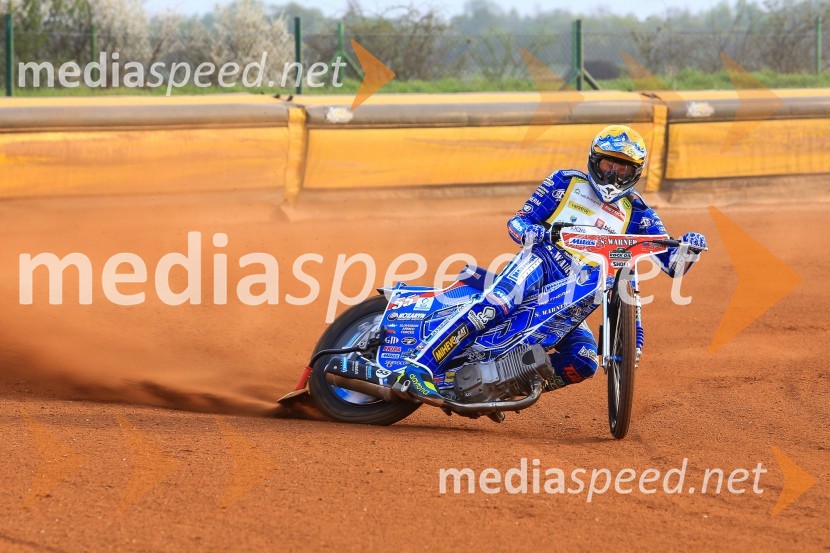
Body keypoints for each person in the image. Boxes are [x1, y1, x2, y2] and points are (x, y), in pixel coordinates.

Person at [328, 125, 707, 405]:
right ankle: (420, 367)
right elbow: (518, 221)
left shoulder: (637, 211)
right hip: (541, 262)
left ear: (635, 172)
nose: (613, 175)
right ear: (595, 160)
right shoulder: (565, 182)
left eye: (623, 169)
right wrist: (532, 233)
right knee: (499, 303)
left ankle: (496, 386)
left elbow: (671, 263)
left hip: (577, 297)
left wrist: (689, 248)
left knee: (584, 361)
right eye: (609, 164)